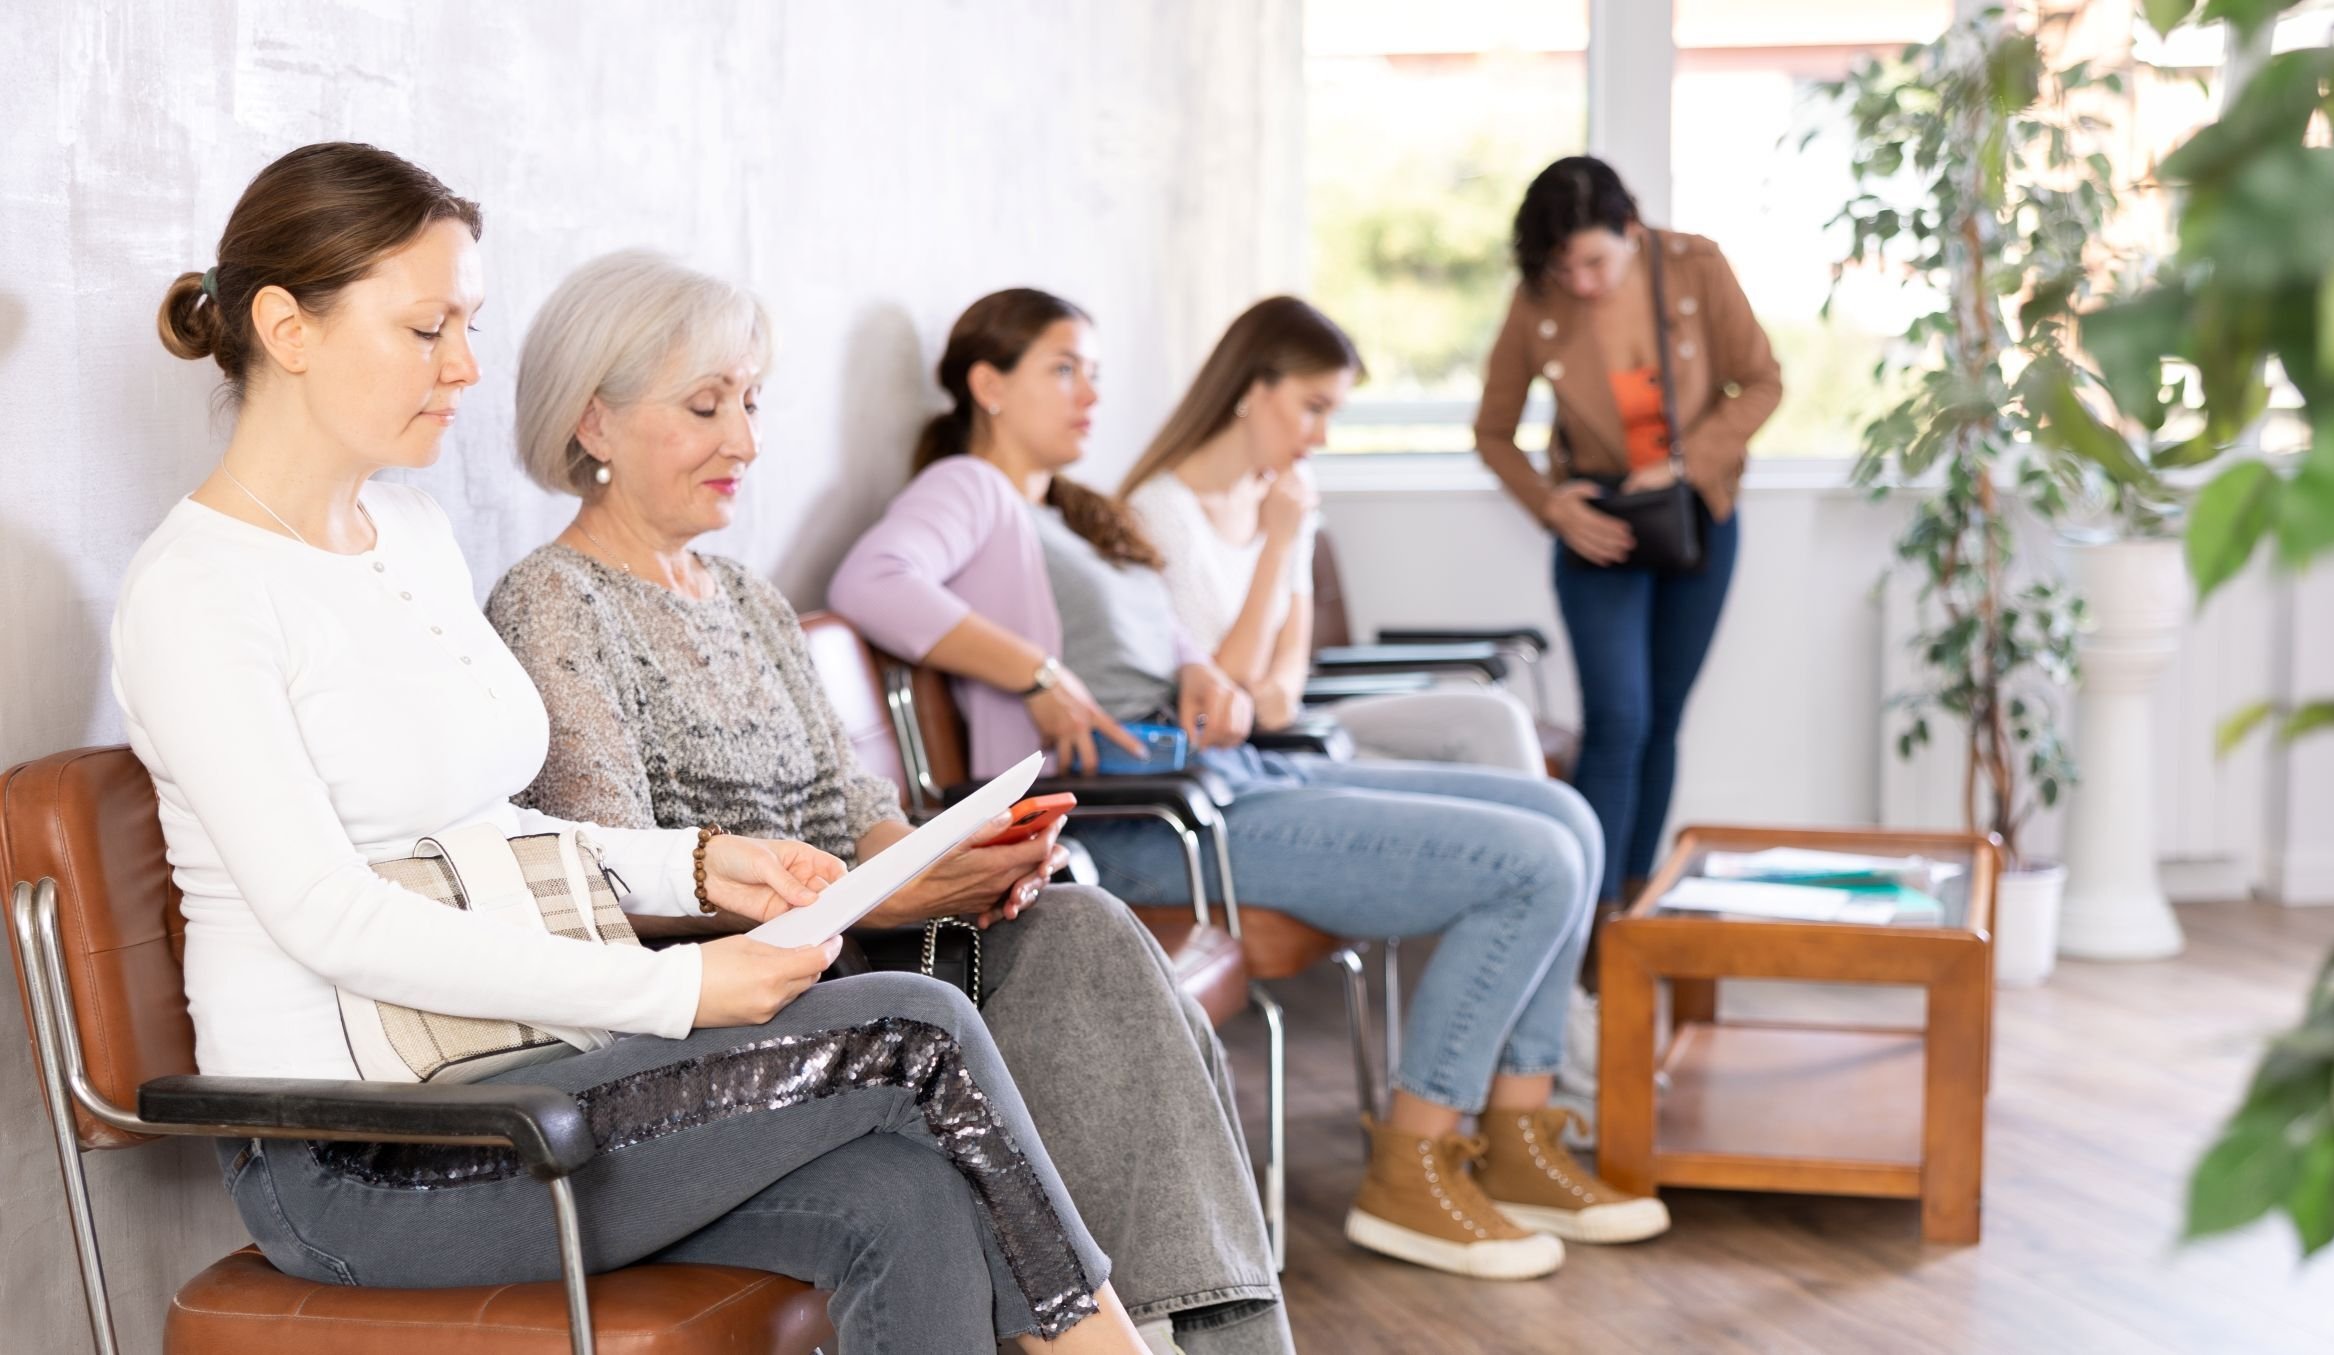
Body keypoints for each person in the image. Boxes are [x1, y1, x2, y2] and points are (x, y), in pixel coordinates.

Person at [117, 142, 1147, 1354]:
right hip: (366, 1152)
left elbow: (484, 828)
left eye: (470, 323)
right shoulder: (197, 593)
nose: (465, 367)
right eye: (426, 328)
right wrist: (677, 985)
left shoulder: (407, 527)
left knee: (906, 1195)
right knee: (915, 1027)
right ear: (288, 328)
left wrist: (699, 866)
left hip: (527, 1079)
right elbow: (327, 915)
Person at [486, 251, 1289, 1355]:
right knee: (1098, 979)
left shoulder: (752, 598)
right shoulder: (552, 602)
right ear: (595, 422)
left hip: (863, 955)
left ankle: (1186, 1334)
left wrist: (943, 863)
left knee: (1083, 935)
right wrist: (871, 897)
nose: (746, 441)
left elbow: (846, 795)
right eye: (705, 405)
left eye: (752, 402)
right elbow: (615, 876)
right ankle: (1175, 1335)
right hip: (739, 1007)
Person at [831, 287, 1669, 1282]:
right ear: (987, 385)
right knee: (1530, 860)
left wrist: (1202, 677)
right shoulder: (973, 487)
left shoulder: (1077, 510)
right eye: (1064, 367)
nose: (1090, 390)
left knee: (1563, 816)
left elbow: (1185, 654)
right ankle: (1415, 1163)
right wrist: (1038, 672)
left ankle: (1520, 1134)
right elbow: (869, 581)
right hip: (1140, 818)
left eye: (1094, 368)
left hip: (1221, 773)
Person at [1473, 155, 1783, 907]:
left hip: (1694, 517)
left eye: (1593, 260)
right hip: (1598, 530)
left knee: (1663, 721)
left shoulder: (1695, 267)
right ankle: (1589, 915)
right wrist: (1556, 508)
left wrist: (1682, 465)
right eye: (1561, 265)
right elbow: (1493, 431)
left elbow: (1763, 381)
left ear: (1631, 229)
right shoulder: (1537, 300)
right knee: (1618, 720)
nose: (1580, 281)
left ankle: (1638, 905)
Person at [1117, 297, 1544, 775]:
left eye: (1332, 414)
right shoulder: (1160, 513)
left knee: (1495, 720)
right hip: (1238, 756)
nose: (1322, 437)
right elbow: (1222, 687)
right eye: (1313, 408)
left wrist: (1277, 689)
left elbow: (1288, 672)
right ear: (1251, 389)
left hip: (1299, 727)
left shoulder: (1290, 490)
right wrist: (1277, 544)